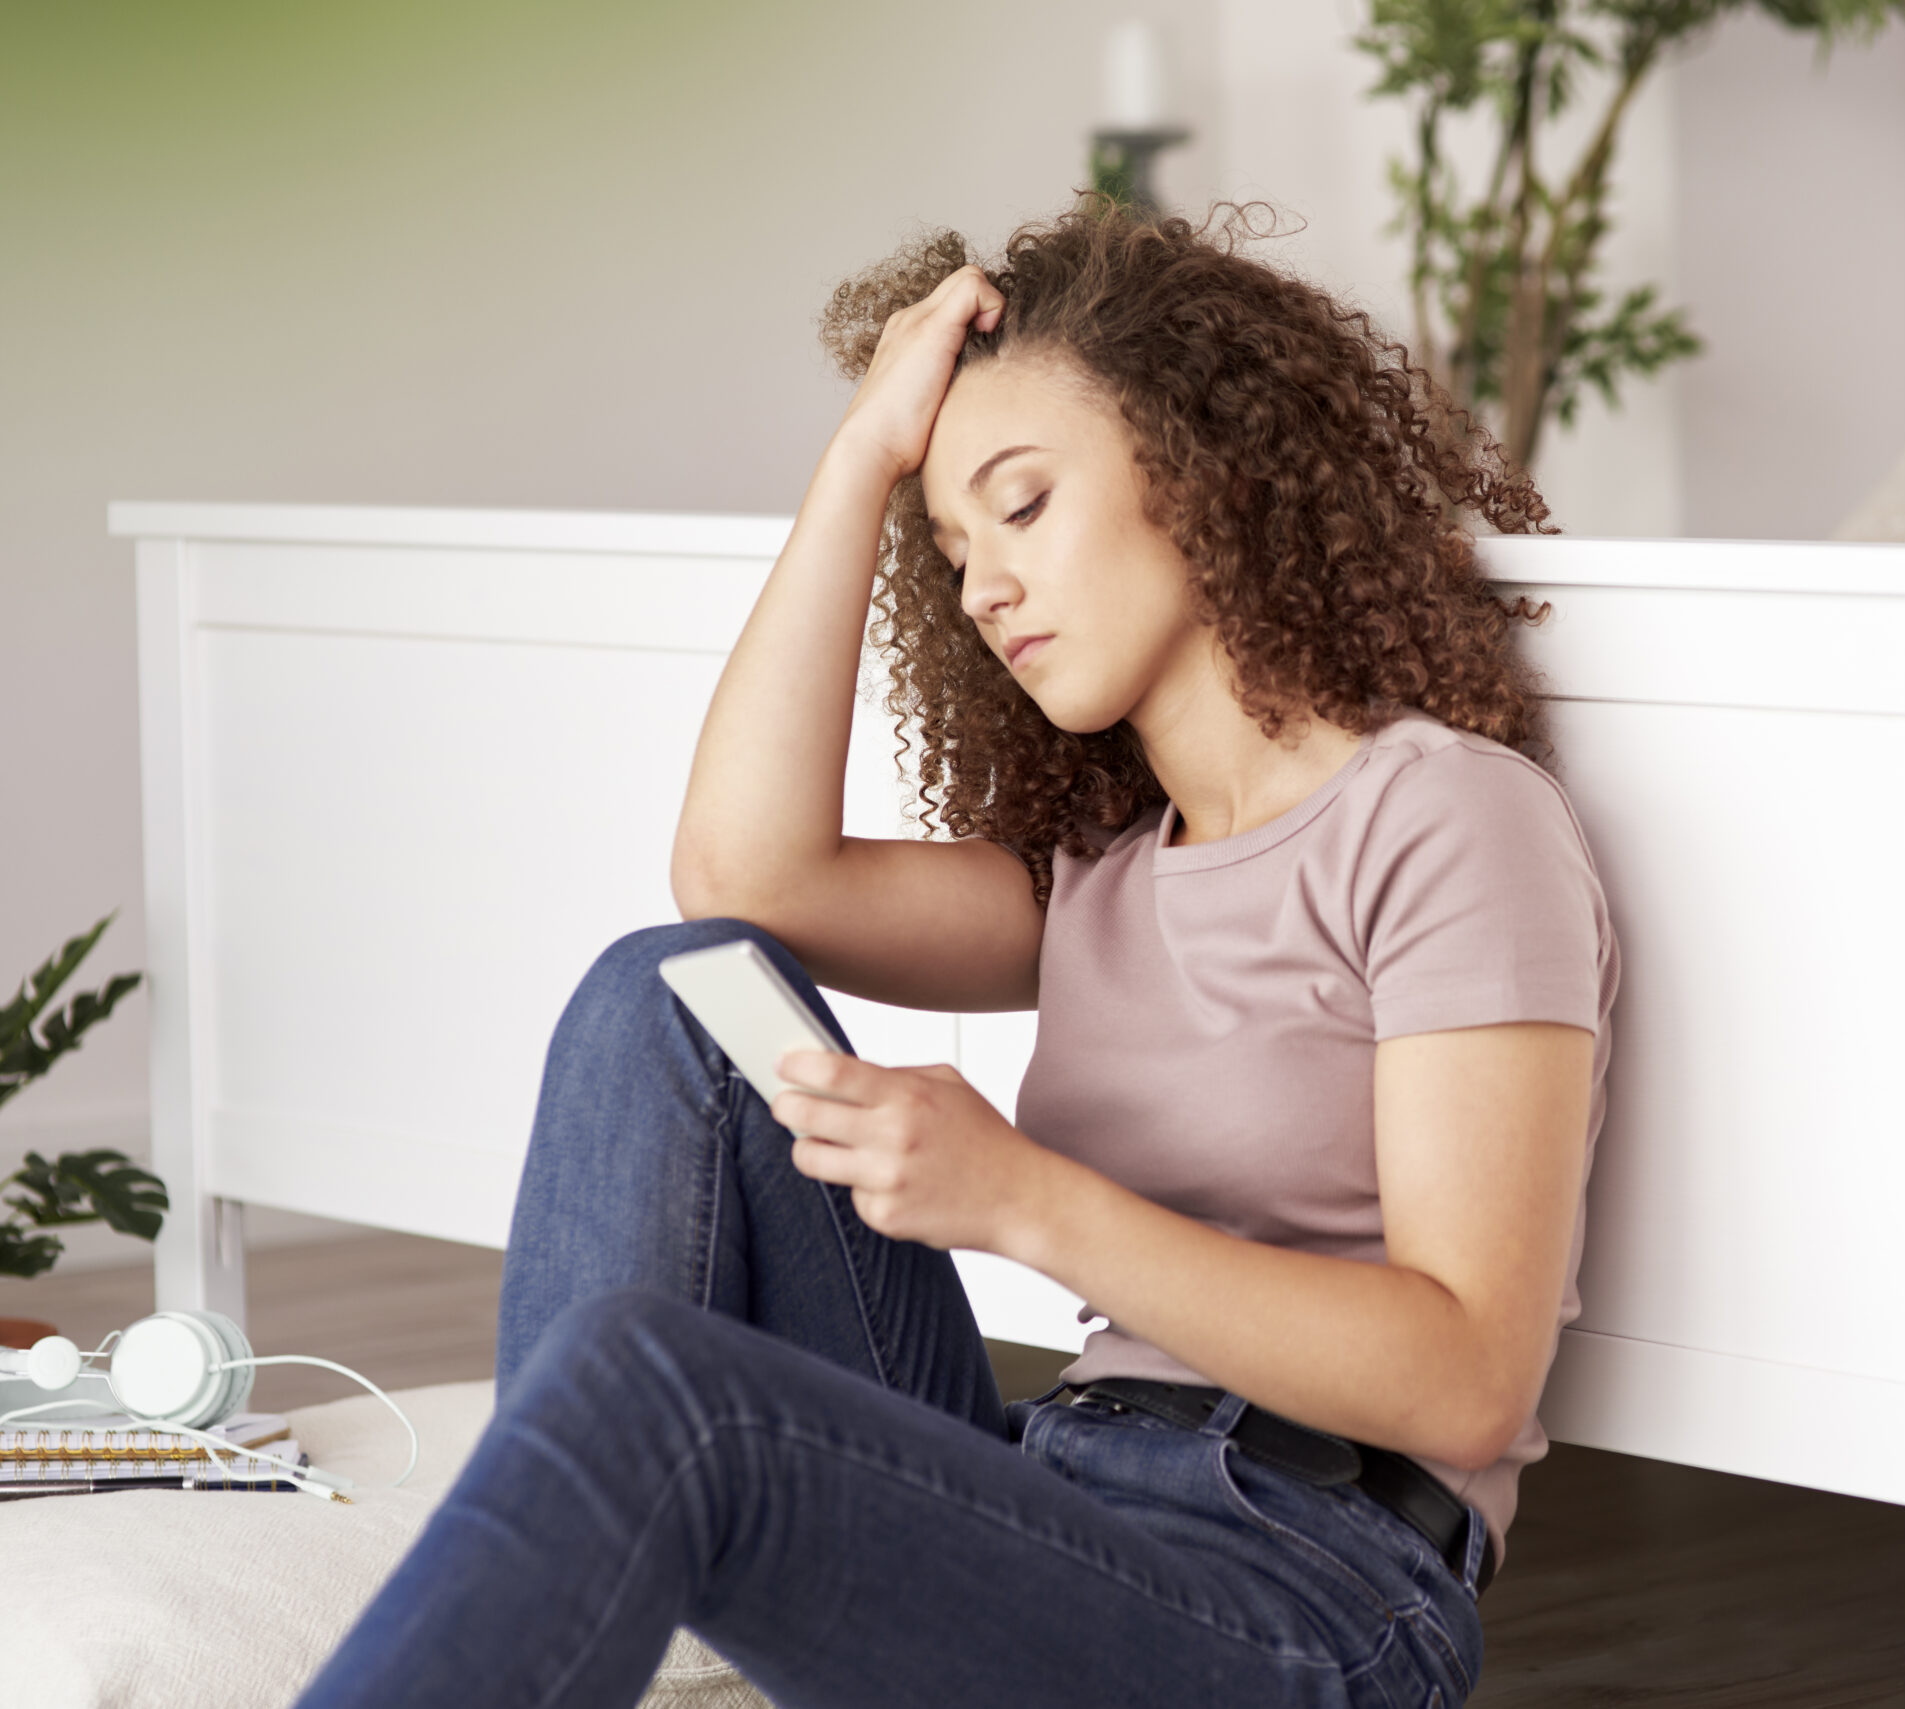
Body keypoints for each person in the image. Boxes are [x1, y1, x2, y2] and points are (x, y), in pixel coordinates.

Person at [294, 201, 1617, 1709]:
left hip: (1305, 1587)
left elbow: (1467, 1373)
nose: (983, 587)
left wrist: (1021, 1198)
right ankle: (566, 1603)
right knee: (664, 993)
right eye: (953, 545)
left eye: (1025, 504)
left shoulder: (1446, 818)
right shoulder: (1104, 881)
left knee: (662, 1393)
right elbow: (741, 874)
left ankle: (544, 1607)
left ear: (1203, 478)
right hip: (1054, 1493)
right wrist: (860, 462)